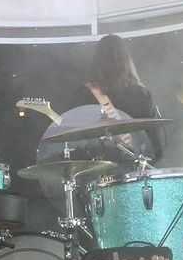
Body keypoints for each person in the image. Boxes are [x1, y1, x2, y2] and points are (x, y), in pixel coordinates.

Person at [65, 34, 165, 163]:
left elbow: (72, 141)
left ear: (96, 61)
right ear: (127, 61)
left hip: (97, 169)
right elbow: (156, 146)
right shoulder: (141, 94)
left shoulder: (84, 94)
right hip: (136, 169)